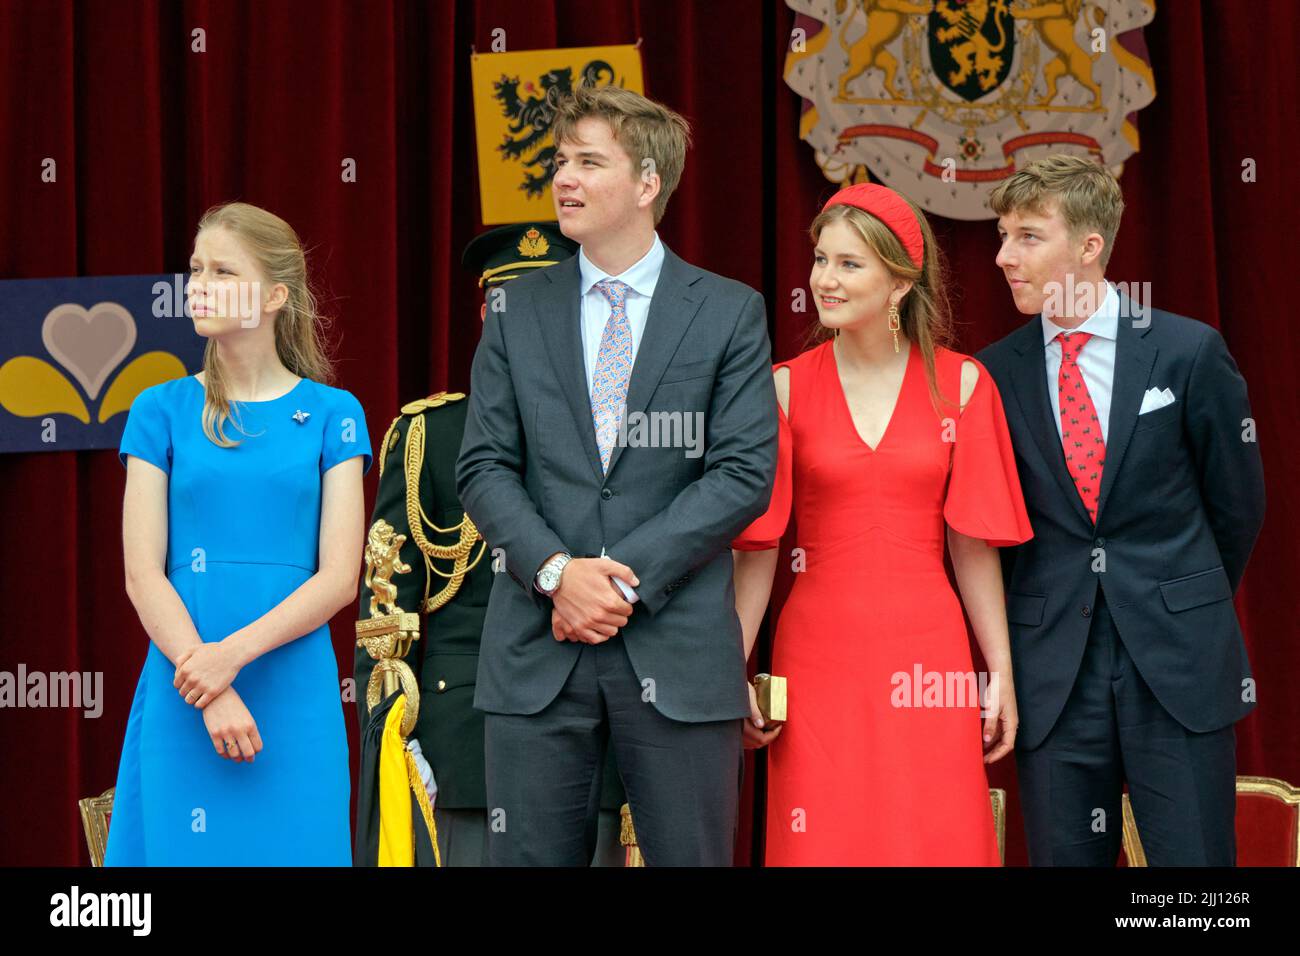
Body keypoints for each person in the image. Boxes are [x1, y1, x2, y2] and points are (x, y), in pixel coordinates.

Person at [455, 85, 778, 866]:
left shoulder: (729, 311)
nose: (563, 177)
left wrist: (618, 583)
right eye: (560, 161)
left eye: (587, 162)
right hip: (538, 648)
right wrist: (559, 574)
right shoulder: (516, 311)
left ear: (646, 184)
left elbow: (741, 475)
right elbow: (483, 465)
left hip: (677, 648)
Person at [732, 182, 1033, 866]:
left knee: (934, 836)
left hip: (931, 652)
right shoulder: (781, 386)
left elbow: (972, 544)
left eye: (848, 264)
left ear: (901, 282)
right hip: (817, 655)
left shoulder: (963, 385)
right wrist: (733, 663)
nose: (824, 280)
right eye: (820, 259)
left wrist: (1001, 671)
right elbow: (759, 548)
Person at [976, 154, 1266, 865]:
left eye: (1028, 237)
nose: (1004, 256)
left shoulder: (1187, 352)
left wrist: (1179, 599)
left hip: (1179, 662)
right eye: (1003, 235)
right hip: (1054, 673)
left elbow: (1239, 505)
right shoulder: (990, 373)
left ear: (1089, 246)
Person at [353, 222, 627, 867]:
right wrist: (397, 734)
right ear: (484, 315)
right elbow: (387, 608)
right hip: (467, 745)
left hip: (600, 737)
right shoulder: (432, 435)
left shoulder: (629, 432)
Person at [104, 201, 370, 865]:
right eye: (195, 269)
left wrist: (232, 658)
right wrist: (212, 683)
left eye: (222, 270)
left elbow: (339, 577)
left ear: (276, 293)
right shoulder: (159, 408)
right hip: (185, 690)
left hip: (295, 699)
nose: (198, 284)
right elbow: (143, 574)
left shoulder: (335, 414)